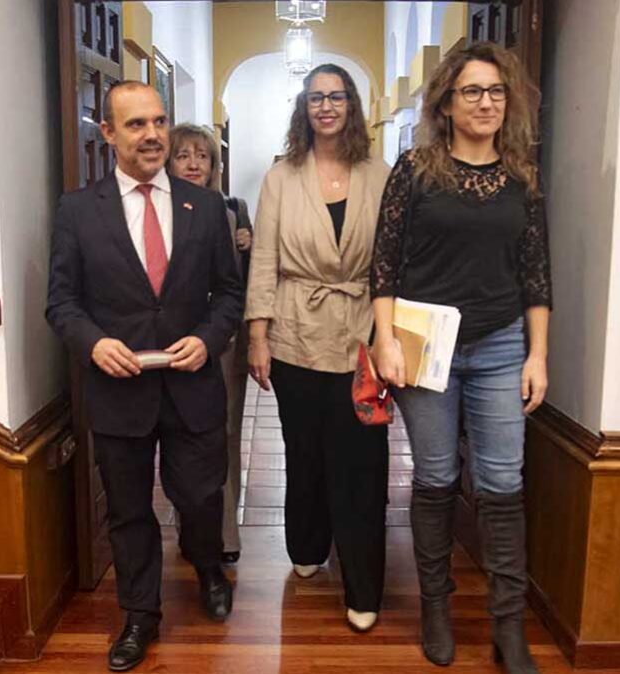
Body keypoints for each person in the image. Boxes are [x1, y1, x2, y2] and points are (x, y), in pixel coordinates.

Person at [46, 81, 244, 672]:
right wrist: (94, 343)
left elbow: (229, 295)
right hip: (118, 392)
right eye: (136, 124)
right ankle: (140, 615)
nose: (153, 134)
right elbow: (62, 302)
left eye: (159, 121)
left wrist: (209, 340)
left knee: (201, 497)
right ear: (107, 133)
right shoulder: (78, 211)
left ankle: (209, 568)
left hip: (192, 387)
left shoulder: (207, 206)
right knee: (130, 511)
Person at [369, 43, 552, 674]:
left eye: (496, 91)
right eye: (472, 91)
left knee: (504, 485)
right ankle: (436, 608)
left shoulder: (522, 177)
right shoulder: (416, 169)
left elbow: (537, 276)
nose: (486, 103)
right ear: (446, 103)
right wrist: (385, 340)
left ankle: (508, 627)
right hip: (426, 347)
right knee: (437, 478)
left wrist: (539, 357)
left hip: (502, 346)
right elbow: (384, 265)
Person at [245, 63, 392, 632]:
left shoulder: (380, 174)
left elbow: (394, 263)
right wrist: (258, 335)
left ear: (352, 105)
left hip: (363, 335)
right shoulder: (282, 176)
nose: (326, 106)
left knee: (361, 459)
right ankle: (306, 544)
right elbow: (263, 261)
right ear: (303, 110)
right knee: (303, 449)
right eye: (315, 98)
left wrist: (392, 339)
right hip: (294, 332)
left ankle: (362, 583)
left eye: (336, 96)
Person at [168, 123, 252, 565]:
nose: (194, 163)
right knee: (180, 438)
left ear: (215, 166)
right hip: (170, 344)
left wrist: (250, 246)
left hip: (223, 341)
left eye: (202, 156)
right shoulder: (155, 210)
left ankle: (225, 536)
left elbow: (245, 283)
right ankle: (190, 533)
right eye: (183, 155)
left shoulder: (233, 209)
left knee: (224, 435)